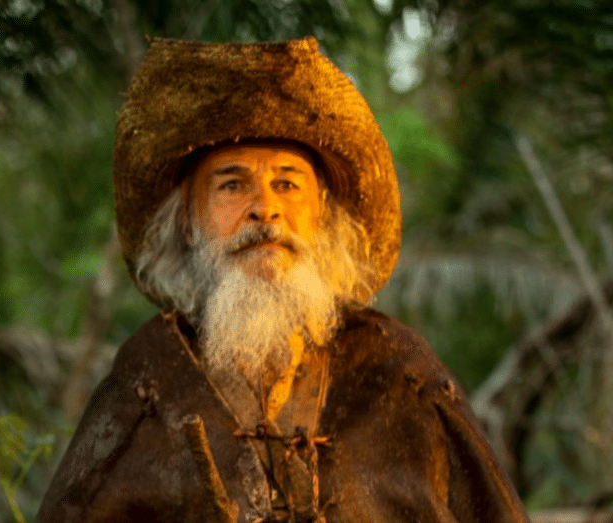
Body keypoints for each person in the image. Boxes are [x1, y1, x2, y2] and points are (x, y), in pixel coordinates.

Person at [34, 37, 529, 523]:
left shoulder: (400, 374)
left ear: (322, 216)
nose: (264, 209)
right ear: (187, 220)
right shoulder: (146, 382)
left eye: (287, 183)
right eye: (232, 184)